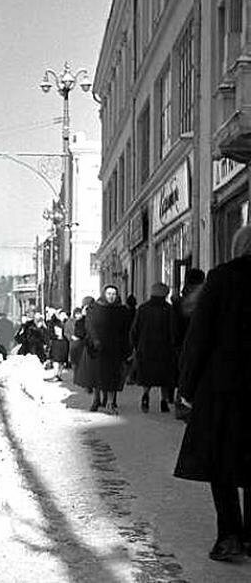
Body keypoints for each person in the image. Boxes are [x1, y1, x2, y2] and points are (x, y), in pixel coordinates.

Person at [174, 225, 251, 562]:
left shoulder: (223, 278)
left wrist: (187, 387)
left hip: (226, 388)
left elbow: (199, 337)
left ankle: (230, 535)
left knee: (222, 463)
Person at [130, 283, 176, 413]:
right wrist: (174, 345)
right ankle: (164, 401)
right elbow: (173, 330)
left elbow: (135, 329)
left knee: (147, 375)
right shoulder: (169, 309)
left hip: (145, 348)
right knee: (164, 377)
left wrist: (135, 345)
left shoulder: (143, 308)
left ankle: (145, 395)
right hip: (164, 348)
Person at [84, 285, 131, 413]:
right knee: (97, 375)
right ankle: (96, 399)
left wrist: (126, 347)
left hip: (115, 348)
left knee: (112, 376)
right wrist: (95, 340)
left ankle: (110, 401)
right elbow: (89, 325)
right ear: (104, 294)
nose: (111, 296)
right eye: (109, 293)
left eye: (114, 294)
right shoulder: (95, 308)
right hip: (97, 348)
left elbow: (126, 329)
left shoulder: (121, 310)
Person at [171, 268, 205, 421]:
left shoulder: (179, 300)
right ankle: (186, 405)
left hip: (182, 341)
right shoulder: (204, 297)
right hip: (195, 339)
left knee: (184, 372)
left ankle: (182, 404)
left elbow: (174, 323)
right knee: (194, 371)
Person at [72, 297, 95, 391]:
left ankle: (89, 384)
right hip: (84, 345)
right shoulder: (80, 320)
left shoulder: (96, 316)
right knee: (86, 366)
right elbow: (78, 332)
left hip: (92, 344)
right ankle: (88, 384)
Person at [47, 311, 69, 382]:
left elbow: (69, 332)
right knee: (56, 359)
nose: (63, 316)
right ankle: (56, 374)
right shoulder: (53, 323)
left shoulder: (67, 322)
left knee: (62, 360)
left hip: (64, 343)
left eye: (64, 314)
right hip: (56, 343)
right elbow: (50, 333)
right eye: (61, 314)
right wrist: (56, 336)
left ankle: (59, 374)